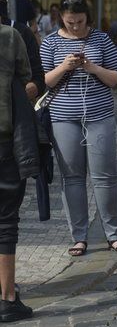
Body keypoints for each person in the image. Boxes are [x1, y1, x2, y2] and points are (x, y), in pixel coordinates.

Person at [39, 0, 117, 257]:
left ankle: (114, 235)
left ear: (87, 17)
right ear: (61, 19)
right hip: (63, 118)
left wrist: (93, 68)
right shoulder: (51, 43)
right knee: (73, 178)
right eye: (69, 22)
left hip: (99, 115)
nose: (75, 27)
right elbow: (43, 81)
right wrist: (64, 67)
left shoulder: (101, 39)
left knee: (105, 178)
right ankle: (79, 237)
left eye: (79, 21)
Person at [0, 25, 39, 321]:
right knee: (6, 222)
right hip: (4, 139)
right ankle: (8, 298)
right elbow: (26, 79)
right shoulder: (8, 36)